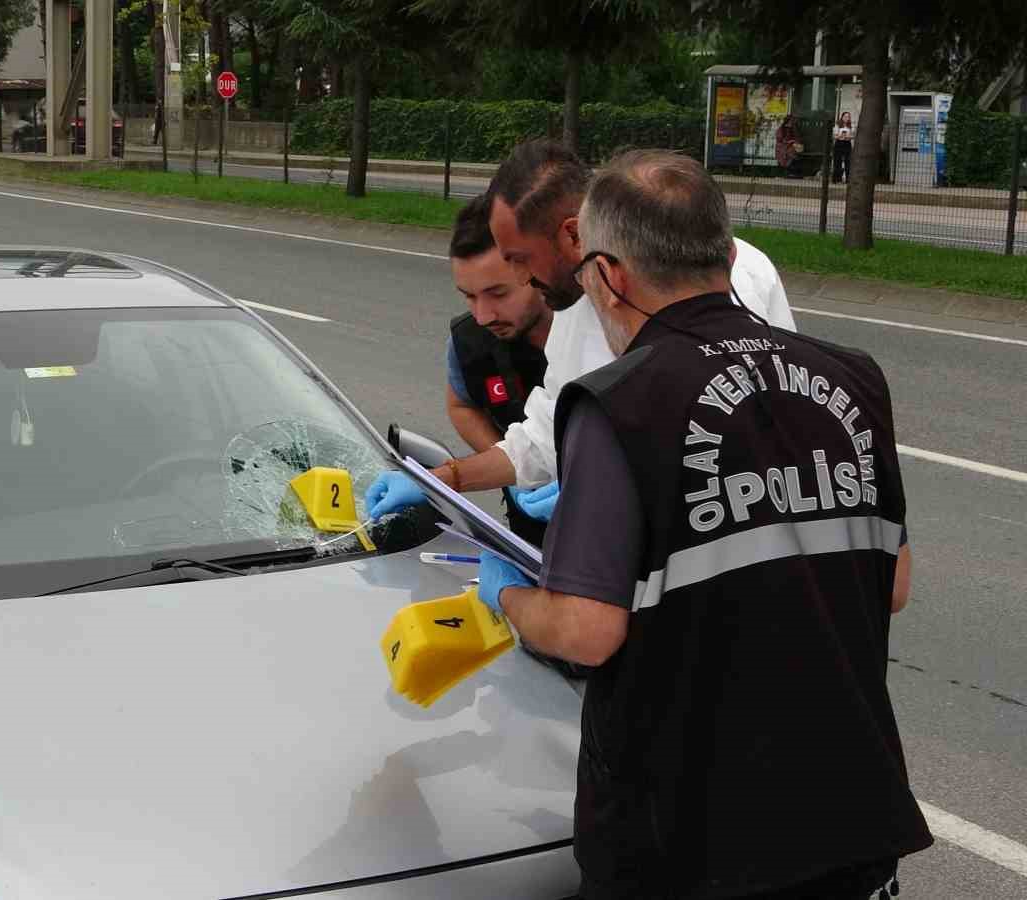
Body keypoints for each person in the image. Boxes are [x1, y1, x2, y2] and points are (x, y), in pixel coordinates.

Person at [476, 148, 931, 898]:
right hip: (850, 815)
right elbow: (894, 583)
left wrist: (509, 597)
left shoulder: (618, 403)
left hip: (689, 837)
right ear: (721, 252)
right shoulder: (852, 378)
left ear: (611, 275)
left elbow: (586, 629)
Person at [364, 140, 796, 521]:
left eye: (518, 257)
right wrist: (441, 479)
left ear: (574, 235)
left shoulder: (742, 280)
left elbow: (752, 446)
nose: (518, 275)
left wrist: (606, 492)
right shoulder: (572, 309)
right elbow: (544, 437)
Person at [440, 193, 554, 547]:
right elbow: (461, 405)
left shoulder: (598, 333)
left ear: (534, 268)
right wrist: (507, 463)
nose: (483, 315)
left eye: (498, 293)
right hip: (532, 531)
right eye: (469, 296)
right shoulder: (468, 343)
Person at [833, 112, 854, 184]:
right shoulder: (838, 125)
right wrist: (840, 136)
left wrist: (848, 137)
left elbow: (852, 136)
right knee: (837, 161)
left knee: (848, 161)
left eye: (848, 117)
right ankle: (836, 179)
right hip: (839, 143)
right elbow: (834, 136)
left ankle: (848, 179)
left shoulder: (850, 126)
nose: (847, 118)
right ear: (842, 117)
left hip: (847, 144)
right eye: (845, 116)